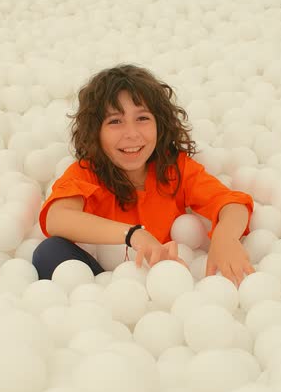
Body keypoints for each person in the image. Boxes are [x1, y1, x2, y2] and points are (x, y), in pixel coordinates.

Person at [32, 64, 255, 286]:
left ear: (160, 124)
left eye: (142, 118)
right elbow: (57, 218)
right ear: (95, 132)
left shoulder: (174, 169)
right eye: (115, 121)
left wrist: (225, 237)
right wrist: (133, 235)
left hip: (168, 282)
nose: (132, 134)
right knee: (49, 252)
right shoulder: (87, 173)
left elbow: (232, 203)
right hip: (106, 287)